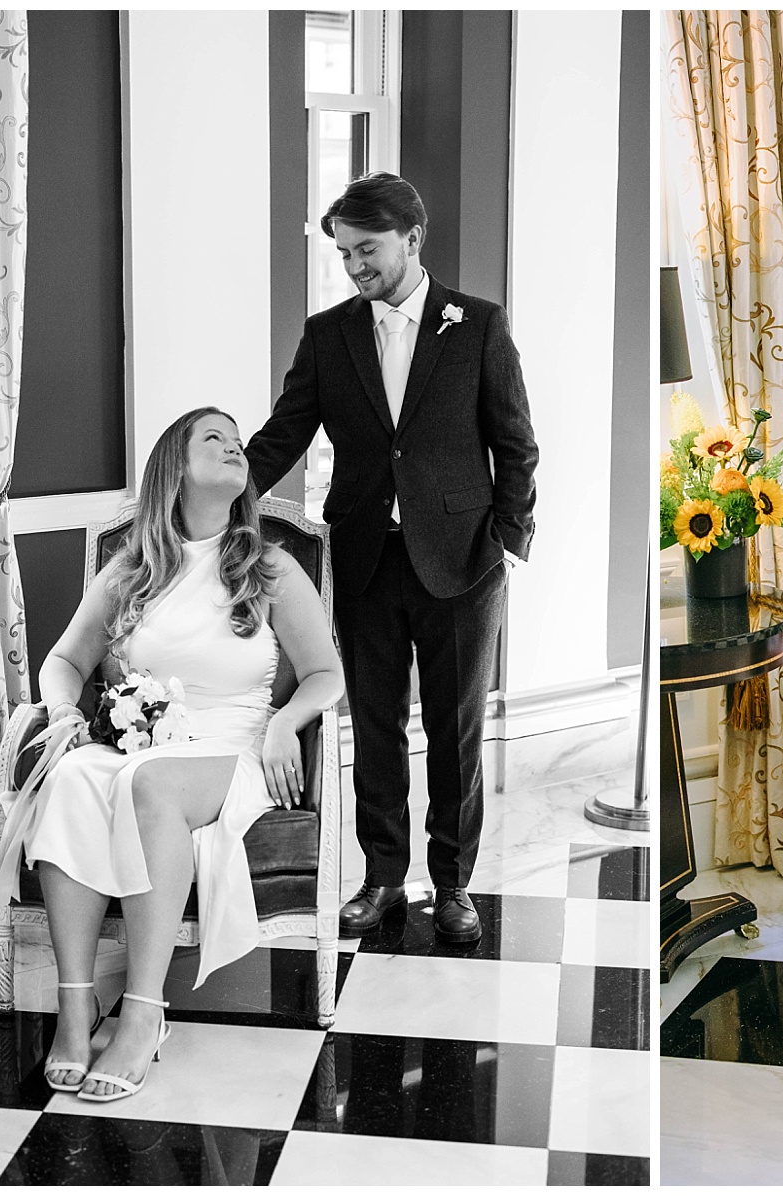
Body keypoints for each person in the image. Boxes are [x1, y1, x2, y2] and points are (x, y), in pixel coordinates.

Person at [244, 172, 538, 944]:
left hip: (463, 567)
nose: (355, 267)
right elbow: (283, 435)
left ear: (413, 238)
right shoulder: (328, 333)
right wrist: (212, 495)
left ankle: (453, 885)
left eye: (366, 250)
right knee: (373, 729)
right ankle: (381, 880)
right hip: (365, 561)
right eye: (343, 253)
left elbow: (516, 443)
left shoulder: (478, 325)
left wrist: (510, 538)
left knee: (456, 731)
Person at [18, 407, 343, 1101]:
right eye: (213, 439)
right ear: (174, 467)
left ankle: (143, 1009)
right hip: (145, 745)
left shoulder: (269, 566)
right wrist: (68, 714)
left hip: (230, 752)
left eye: (236, 441)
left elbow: (326, 672)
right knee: (74, 774)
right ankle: (77, 1005)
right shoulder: (131, 569)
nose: (235, 447)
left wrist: (289, 720)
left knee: (151, 786)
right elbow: (63, 662)